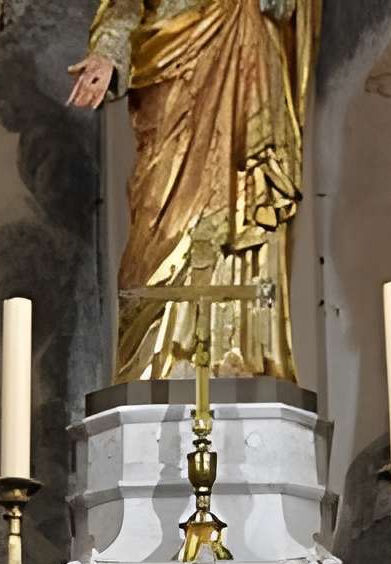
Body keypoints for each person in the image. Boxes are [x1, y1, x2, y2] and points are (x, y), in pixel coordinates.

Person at [67, 0, 316, 381]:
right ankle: (156, 357)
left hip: (247, 55)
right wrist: (107, 53)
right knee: (160, 221)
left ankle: (239, 352)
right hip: (170, 64)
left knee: (243, 207)